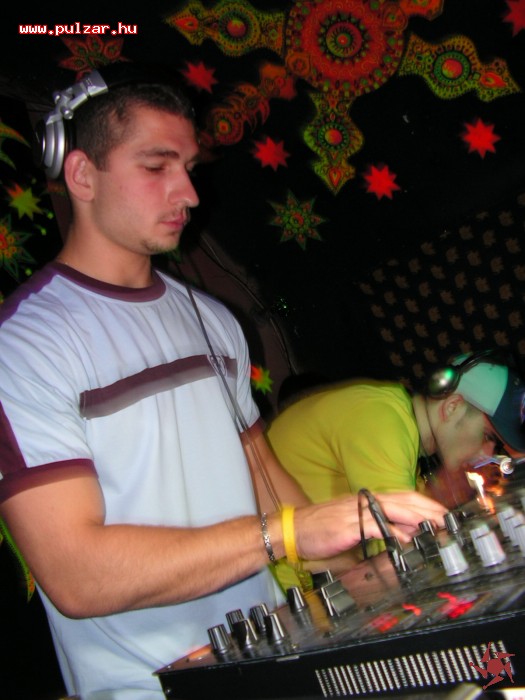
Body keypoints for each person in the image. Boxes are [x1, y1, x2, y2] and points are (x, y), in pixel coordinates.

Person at [0, 67, 447, 699]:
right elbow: (77, 576)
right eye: (157, 166)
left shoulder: (212, 320)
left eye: (188, 167)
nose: (188, 192)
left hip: (269, 657)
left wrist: (377, 574)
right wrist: (285, 535)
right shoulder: (25, 342)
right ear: (81, 175)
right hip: (146, 687)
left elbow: (267, 484)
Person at [267, 352, 525, 517]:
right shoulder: (382, 419)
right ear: (452, 407)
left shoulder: (400, 428)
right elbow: (397, 548)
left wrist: (441, 495)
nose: (489, 454)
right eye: (489, 437)